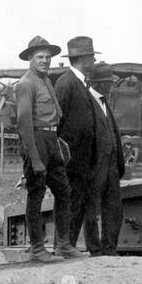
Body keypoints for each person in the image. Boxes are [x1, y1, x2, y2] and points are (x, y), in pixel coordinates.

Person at [15, 35, 80, 262]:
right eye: (40, 57)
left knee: (64, 191)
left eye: (48, 57)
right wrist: (34, 158)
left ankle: (63, 245)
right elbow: (24, 123)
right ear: (30, 59)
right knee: (36, 194)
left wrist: (58, 141)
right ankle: (37, 249)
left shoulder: (46, 82)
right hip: (37, 139)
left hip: (52, 139)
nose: (45, 61)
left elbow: (56, 115)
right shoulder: (26, 84)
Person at [54, 35, 102, 252]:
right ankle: (64, 246)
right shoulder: (66, 83)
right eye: (91, 56)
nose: (93, 60)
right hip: (72, 157)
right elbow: (57, 120)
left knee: (78, 202)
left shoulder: (79, 83)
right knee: (71, 202)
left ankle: (68, 245)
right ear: (84, 58)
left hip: (82, 156)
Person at [83, 63, 126, 255]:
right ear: (99, 84)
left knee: (114, 207)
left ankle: (110, 247)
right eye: (109, 83)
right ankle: (94, 248)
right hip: (94, 165)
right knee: (91, 209)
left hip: (111, 165)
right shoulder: (86, 101)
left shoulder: (104, 101)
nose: (112, 86)